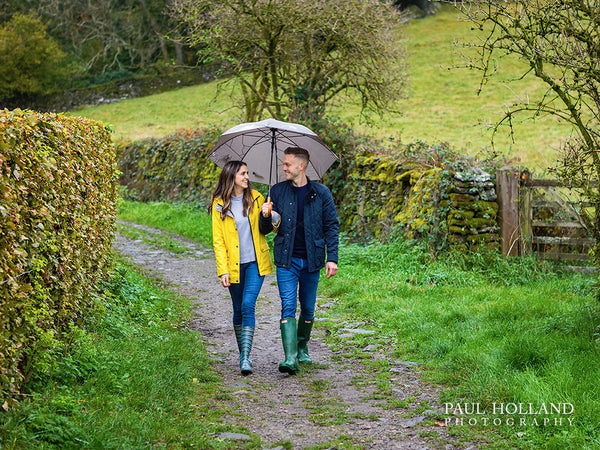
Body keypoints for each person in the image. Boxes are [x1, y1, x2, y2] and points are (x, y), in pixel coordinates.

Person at [259, 147, 339, 375]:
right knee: (287, 306)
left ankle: (302, 347)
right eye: (283, 164)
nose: (283, 168)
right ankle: (290, 358)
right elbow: (266, 230)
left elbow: (331, 226)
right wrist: (265, 216)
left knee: (308, 308)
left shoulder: (321, 193)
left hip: (312, 260)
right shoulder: (276, 191)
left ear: (301, 166)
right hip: (287, 259)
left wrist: (331, 258)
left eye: (287, 164)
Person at [209, 160, 273, 375]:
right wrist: (223, 270)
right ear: (231, 177)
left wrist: (267, 215)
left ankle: (245, 357)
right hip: (233, 266)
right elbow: (218, 241)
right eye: (242, 174)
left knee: (248, 304)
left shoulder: (257, 198)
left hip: (256, 263)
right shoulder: (220, 204)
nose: (247, 177)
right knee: (238, 309)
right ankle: (242, 352)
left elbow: (267, 229)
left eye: (247, 173)